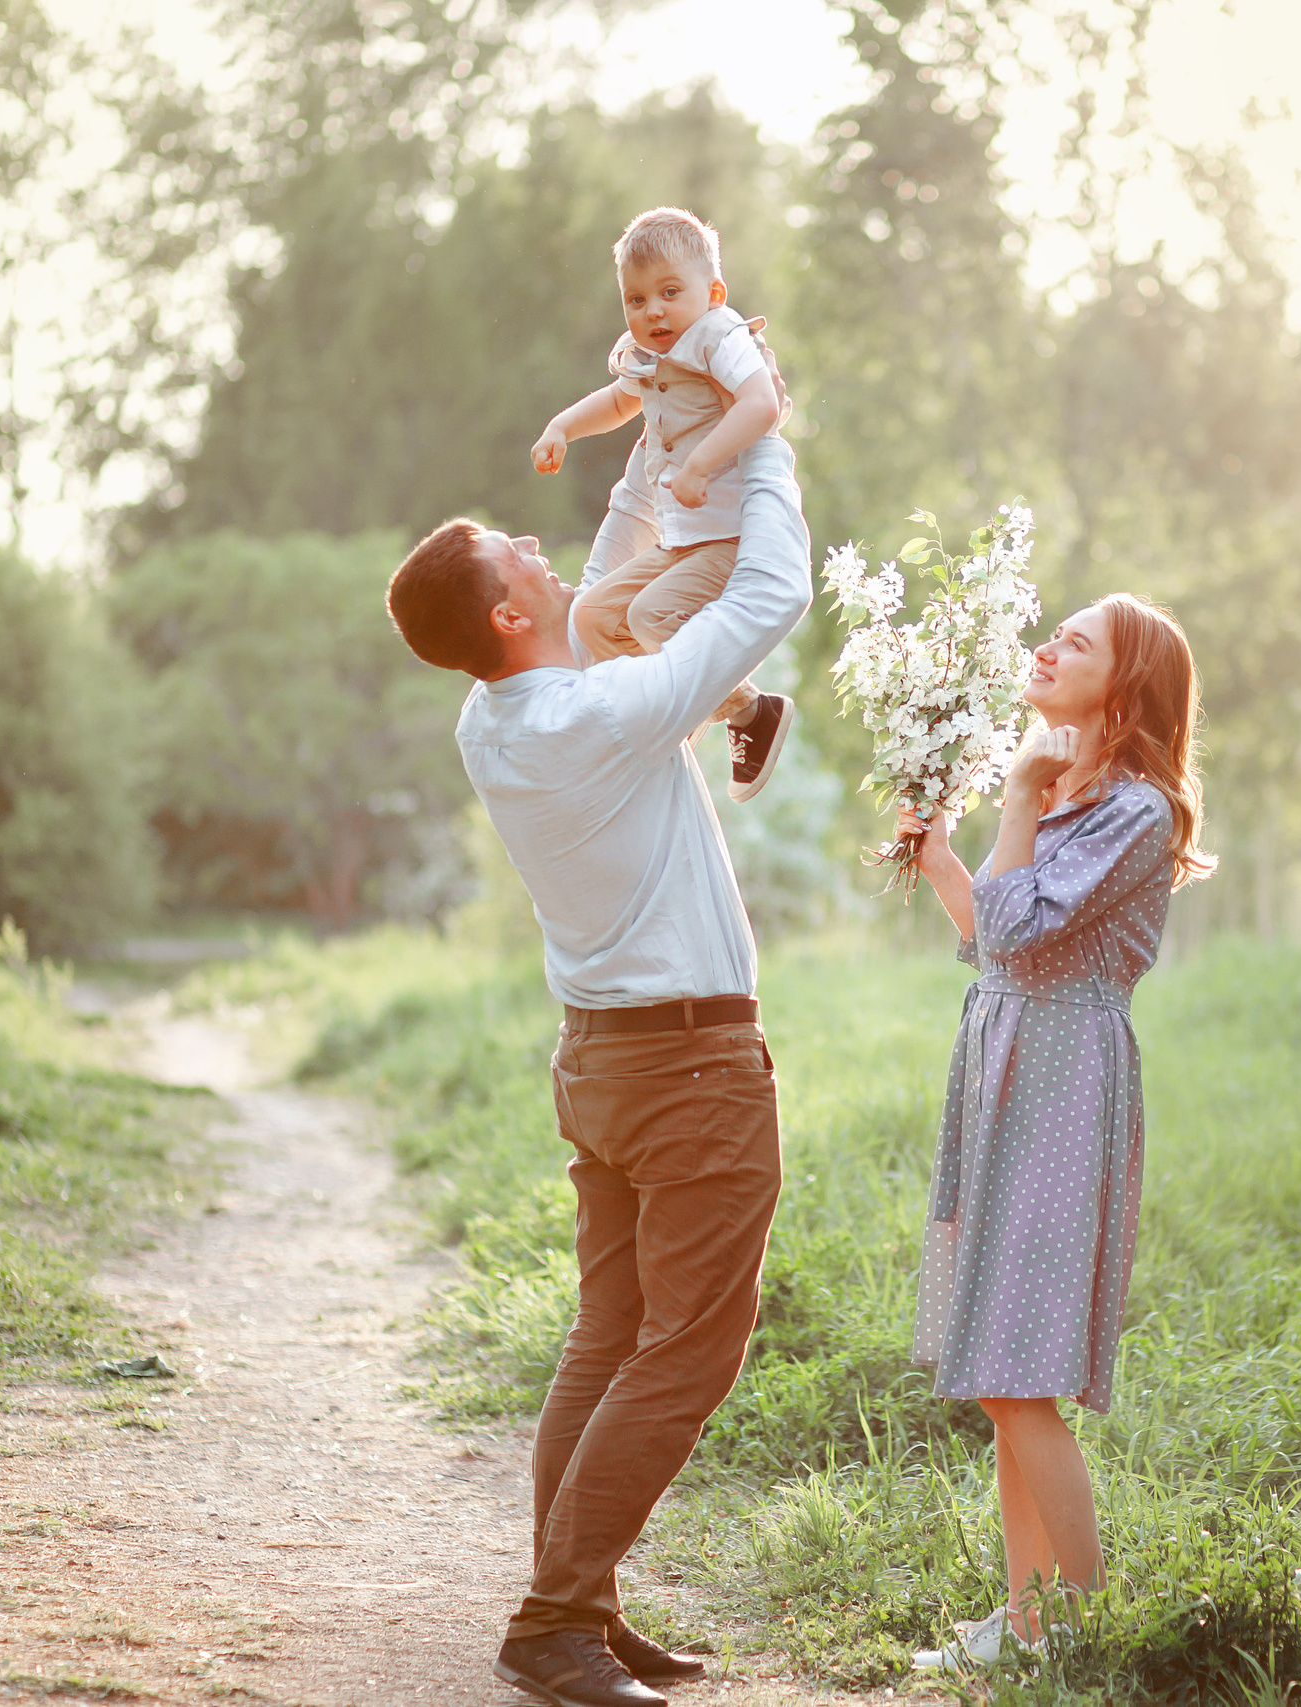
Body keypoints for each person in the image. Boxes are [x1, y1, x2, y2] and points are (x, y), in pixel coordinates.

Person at [383, 431, 811, 1707]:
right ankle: (554, 1616)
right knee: (690, 1346)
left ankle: (580, 1602)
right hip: (687, 1072)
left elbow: (616, 560)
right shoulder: (606, 712)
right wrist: (765, 444)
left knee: (609, 1334)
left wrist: (676, 426)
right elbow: (770, 595)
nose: (534, 537)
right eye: (510, 546)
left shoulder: (500, 713)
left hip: (605, 1066)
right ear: (512, 610)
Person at [894, 592, 1216, 1670]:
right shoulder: (1071, 797)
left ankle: (1078, 1629)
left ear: (1121, 688)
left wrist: (1017, 801)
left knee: (1025, 1374)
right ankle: (1024, 1623)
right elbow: (995, 941)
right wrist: (941, 854)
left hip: (1063, 1077)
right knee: (1002, 1376)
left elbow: (1024, 927)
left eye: (1074, 643)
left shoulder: (1136, 811)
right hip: (1003, 1057)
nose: (1046, 647)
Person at [528, 205, 795, 802]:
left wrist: (700, 464)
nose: (653, 311)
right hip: (681, 542)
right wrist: (561, 427)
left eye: (670, 293)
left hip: (728, 538)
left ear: (713, 291)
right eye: (636, 299)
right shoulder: (646, 353)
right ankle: (722, 713)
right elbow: (621, 402)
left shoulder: (718, 337)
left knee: (652, 618)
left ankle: (714, 722)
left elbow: (761, 405)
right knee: (593, 617)